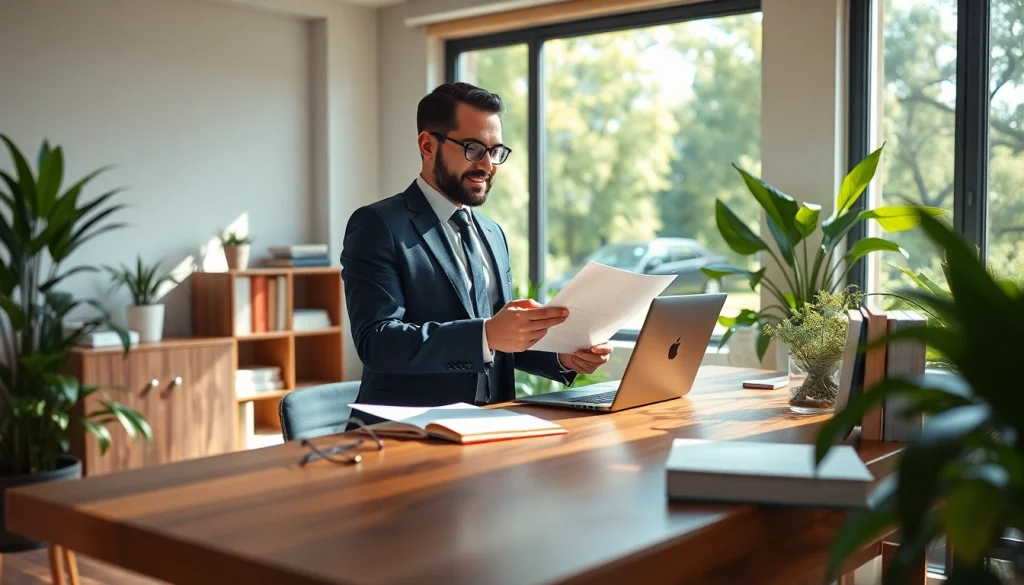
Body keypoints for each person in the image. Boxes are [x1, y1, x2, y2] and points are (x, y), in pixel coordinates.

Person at [340, 82, 612, 410]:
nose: (487, 165)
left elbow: (500, 337)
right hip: (409, 433)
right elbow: (378, 342)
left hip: (495, 426)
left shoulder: (492, 232)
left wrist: (562, 356)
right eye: (473, 148)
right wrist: (486, 334)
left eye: (495, 151)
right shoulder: (377, 225)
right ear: (428, 145)